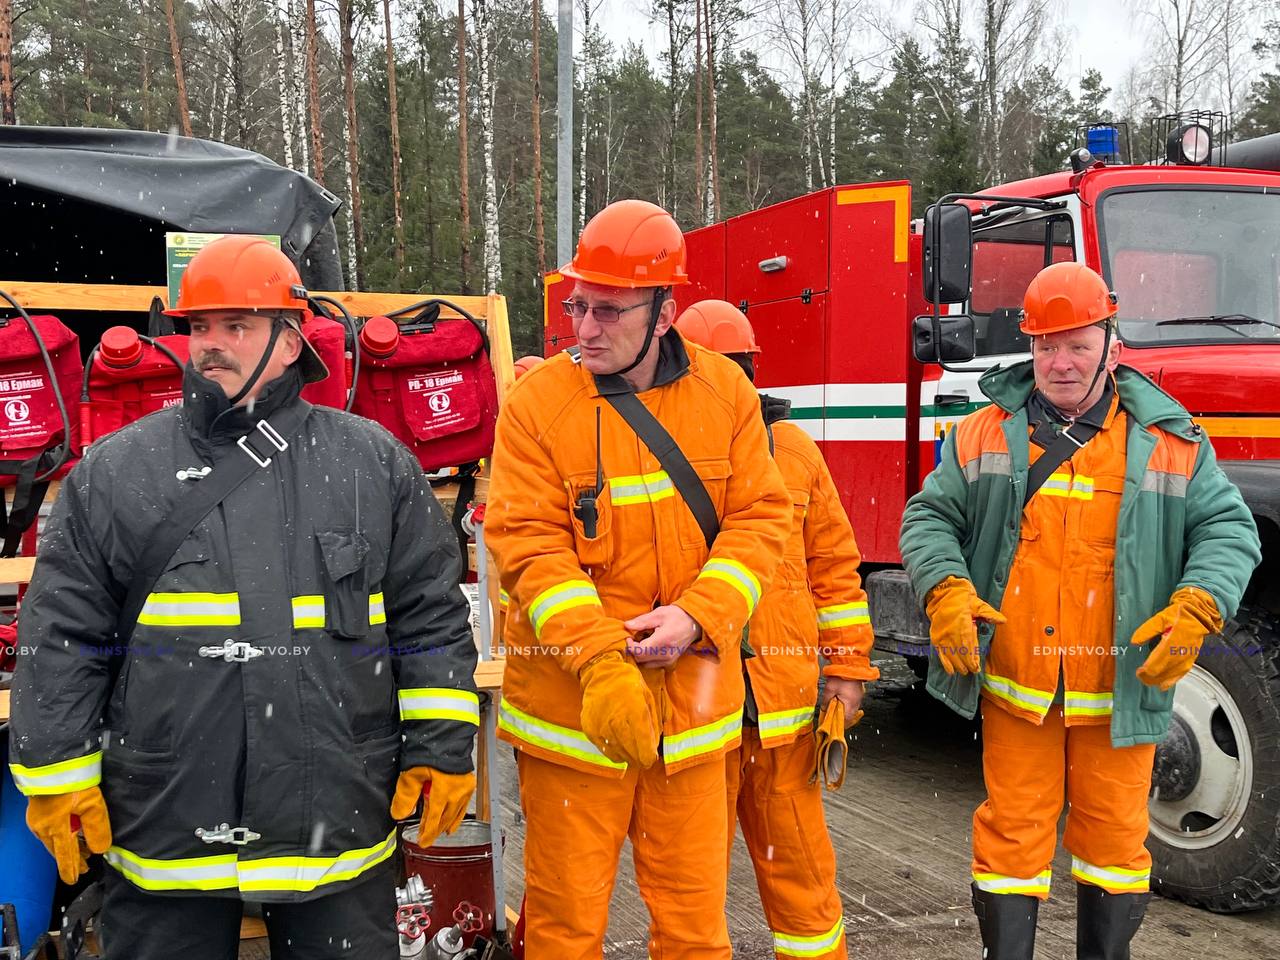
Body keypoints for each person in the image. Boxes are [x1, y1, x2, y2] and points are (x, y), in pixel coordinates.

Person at [8, 235, 480, 960]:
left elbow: (428, 615)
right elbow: (64, 631)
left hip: (337, 810)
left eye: (237, 326)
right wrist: (57, 771)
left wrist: (443, 743)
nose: (211, 345)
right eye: (199, 327)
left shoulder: (372, 463)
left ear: (290, 342)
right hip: (167, 815)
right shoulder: (116, 471)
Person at [899, 262, 1261, 959]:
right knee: (1011, 841)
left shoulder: (1170, 442)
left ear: (1111, 347)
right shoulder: (983, 434)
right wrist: (944, 589)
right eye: (1045, 347)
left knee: (1115, 848)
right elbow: (928, 518)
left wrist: (1199, 605)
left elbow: (1228, 531)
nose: (1059, 364)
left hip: (1120, 690)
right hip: (1016, 687)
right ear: (1029, 348)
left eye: (1077, 346)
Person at [486, 200, 791, 958]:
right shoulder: (536, 407)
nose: (583, 328)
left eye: (608, 310)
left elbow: (762, 520)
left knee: (694, 935)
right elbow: (527, 547)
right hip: (570, 728)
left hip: (692, 722)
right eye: (575, 304)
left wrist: (698, 616)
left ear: (665, 312)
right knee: (562, 933)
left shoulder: (726, 395)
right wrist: (597, 663)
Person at [676, 299, 874, 960]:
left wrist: (847, 669)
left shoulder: (794, 452)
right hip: (696, 717)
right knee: (689, 898)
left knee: (805, 886)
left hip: (783, 718)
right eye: (714, 370)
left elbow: (834, 571)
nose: (729, 383)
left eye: (738, 370)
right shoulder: (651, 452)